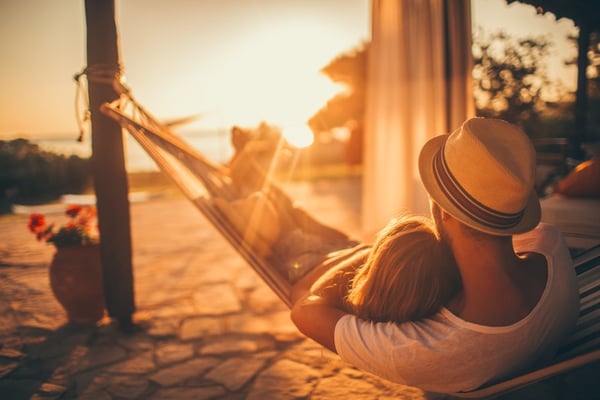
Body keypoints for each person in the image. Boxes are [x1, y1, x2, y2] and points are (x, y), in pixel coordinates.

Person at [290, 117, 580, 394]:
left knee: (297, 231)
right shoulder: (550, 247)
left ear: (441, 211)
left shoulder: (422, 349)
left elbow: (304, 308)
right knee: (306, 227)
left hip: (314, 264)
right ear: (512, 215)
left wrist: (367, 251)